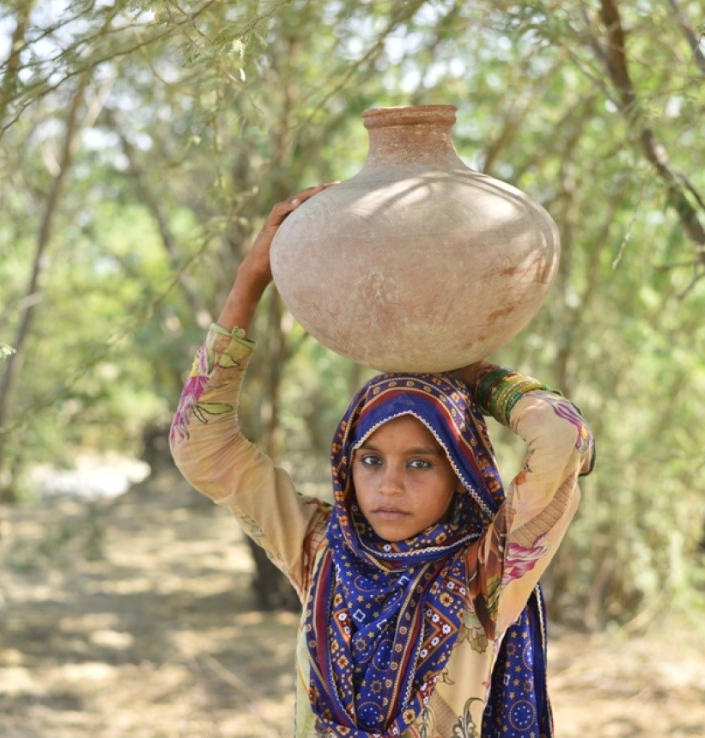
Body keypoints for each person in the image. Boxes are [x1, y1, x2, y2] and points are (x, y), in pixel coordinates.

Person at [169, 184, 595, 738]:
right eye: (370, 461)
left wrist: (474, 377)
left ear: (460, 474)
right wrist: (251, 282)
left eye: (421, 464)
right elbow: (199, 446)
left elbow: (563, 437)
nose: (389, 486)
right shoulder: (319, 550)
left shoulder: (485, 575)